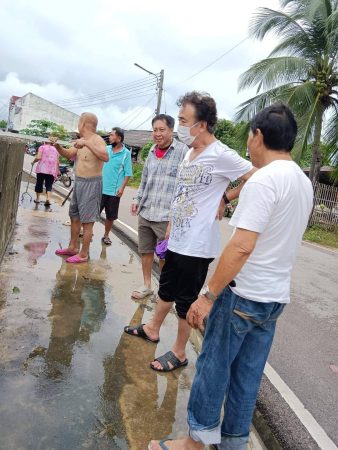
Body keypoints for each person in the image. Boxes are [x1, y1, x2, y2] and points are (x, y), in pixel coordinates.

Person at [149, 103, 314, 450]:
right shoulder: (301, 180)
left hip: (242, 295)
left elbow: (241, 246)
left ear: (258, 135)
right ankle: (233, 443)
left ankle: (195, 442)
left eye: (250, 137)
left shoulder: (265, 180)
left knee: (213, 367)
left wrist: (207, 295)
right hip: (274, 299)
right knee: (247, 377)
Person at [125, 92, 254, 373]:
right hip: (177, 239)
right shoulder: (190, 153)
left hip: (197, 246)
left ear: (202, 124)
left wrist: (226, 198)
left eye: (184, 120)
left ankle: (180, 352)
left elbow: (255, 176)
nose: (180, 125)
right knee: (166, 289)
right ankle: (152, 328)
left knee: (185, 301)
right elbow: (182, 195)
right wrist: (171, 227)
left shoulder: (220, 154)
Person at [130, 114, 188, 299]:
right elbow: (145, 178)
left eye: (162, 130)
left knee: (165, 255)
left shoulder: (183, 151)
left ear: (171, 130)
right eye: (155, 130)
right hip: (147, 210)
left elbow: (185, 185)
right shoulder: (152, 151)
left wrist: (176, 215)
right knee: (145, 250)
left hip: (166, 216)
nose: (158, 134)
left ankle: (164, 289)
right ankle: (147, 285)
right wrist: (137, 199)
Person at [53, 112, 108, 264]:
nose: (78, 125)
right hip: (79, 182)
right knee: (74, 216)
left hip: (92, 183)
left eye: (79, 122)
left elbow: (105, 156)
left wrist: (88, 144)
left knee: (87, 221)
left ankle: (83, 254)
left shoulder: (97, 140)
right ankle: (72, 247)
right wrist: (57, 146)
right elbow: (69, 153)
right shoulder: (80, 141)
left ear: (83, 124)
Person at [100, 127, 132, 245]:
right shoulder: (106, 149)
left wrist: (122, 188)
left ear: (119, 138)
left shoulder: (126, 154)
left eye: (112, 135)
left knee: (110, 216)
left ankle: (106, 235)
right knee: (93, 212)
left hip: (114, 191)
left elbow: (128, 173)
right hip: (100, 188)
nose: (110, 137)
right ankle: (87, 231)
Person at [31, 140, 59, 206]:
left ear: (45, 142)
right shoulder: (56, 149)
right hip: (52, 170)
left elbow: (38, 157)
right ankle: (48, 199)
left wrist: (33, 162)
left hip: (42, 169)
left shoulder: (42, 147)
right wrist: (57, 171)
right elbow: (57, 161)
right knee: (49, 185)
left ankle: (38, 199)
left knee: (39, 183)